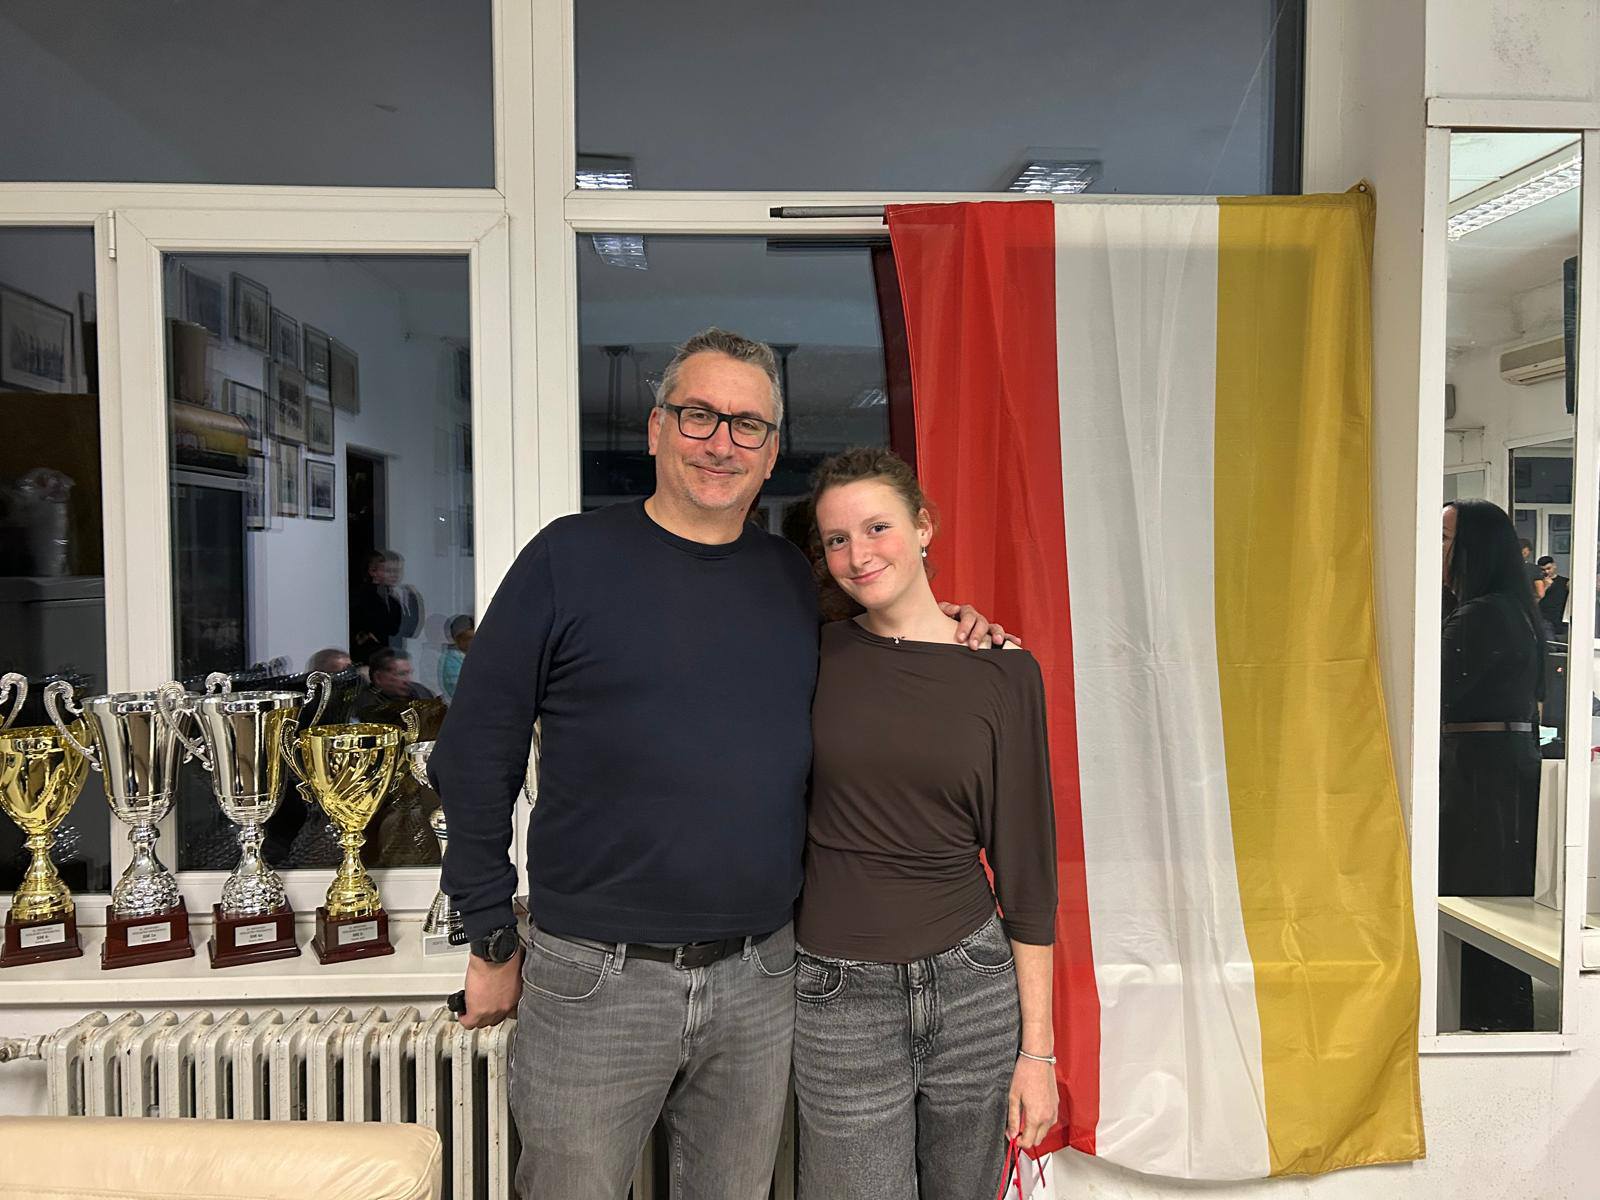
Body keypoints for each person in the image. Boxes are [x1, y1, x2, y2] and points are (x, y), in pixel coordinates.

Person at [428, 328, 1009, 1199]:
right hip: (594, 978)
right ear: (656, 428)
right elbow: (477, 751)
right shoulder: (567, 559)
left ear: (770, 452)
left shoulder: (791, 580)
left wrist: (960, 627)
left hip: (761, 976)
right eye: (698, 415)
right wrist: (488, 935)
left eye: (747, 425)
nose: (720, 443)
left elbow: (884, 638)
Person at [793, 449, 1057, 1198]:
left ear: (923, 527)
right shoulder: (810, 653)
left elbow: (1028, 873)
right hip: (838, 996)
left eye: (877, 527)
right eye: (837, 539)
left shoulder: (1004, 670)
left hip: (974, 985)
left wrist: (1038, 1054)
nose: (858, 554)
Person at [1441, 500, 1542, 1031]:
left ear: (1472, 548)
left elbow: (1432, 689)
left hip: (1478, 776)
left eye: (1444, 538)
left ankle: (1482, 1020)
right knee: (1493, 899)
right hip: (1501, 769)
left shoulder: (1480, 616)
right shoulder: (1511, 610)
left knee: (1472, 899)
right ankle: (1494, 1016)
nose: (1436, 549)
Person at [351, 550, 425, 665]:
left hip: (389, 656)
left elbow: (407, 631)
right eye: (389, 571)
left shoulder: (393, 599)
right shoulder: (363, 597)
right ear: (372, 571)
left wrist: (412, 598)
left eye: (398, 571)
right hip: (370, 658)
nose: (395, 575)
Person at [439, 614, 474, 699]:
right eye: (468, 638)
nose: (472, 642)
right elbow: (463, 691)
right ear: (458, 640)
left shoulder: (469, 655)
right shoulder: (452, 661)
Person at [1535, 555, 1569, 640]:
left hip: (1560, 620)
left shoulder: (1564, 582)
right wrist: (1545, 587)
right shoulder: (1538, 583)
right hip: (1544, 619)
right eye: (1543, 570)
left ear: (1554, 566)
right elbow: (1534, 602)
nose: (1546, 572)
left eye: (1548, 568)